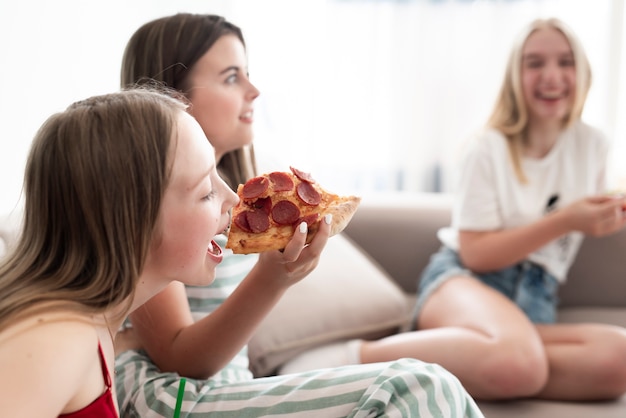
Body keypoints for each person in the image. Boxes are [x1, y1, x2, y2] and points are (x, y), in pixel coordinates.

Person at [114, 12, 485, 417]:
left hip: (227, 389)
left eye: (247, 73)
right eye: (231, 77)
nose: (254, 90)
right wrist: (272, 280)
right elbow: (178, 358)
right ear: (173, 99)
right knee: (417, 385)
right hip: (175, 398)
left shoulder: (237, 197)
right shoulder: (150, 208)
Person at [280, 17, 626, 402]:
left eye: (565, 62)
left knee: (618, 358)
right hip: (465, 282)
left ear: (582, 71)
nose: (552, 75)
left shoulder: (593, 146)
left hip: (535, 299)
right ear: (516, 75)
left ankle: (482, 354)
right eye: (534, 63)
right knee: (520, 362)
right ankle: (353, 358)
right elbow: (477, 253)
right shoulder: (488, 148)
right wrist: (565, 221)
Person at [0, 87, 239, 416]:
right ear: (137, 220)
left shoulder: (93, 328)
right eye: (206, 192)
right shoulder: (58, 338)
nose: (233, 199)